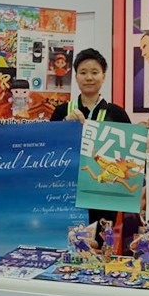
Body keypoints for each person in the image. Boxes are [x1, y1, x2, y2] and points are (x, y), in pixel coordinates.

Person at [51, 48, 132, 243]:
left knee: (101, 245)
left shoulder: (117, 114)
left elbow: (127, 157)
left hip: (104, 194)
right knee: (70, 245)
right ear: (76, 77)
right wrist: (65, 126)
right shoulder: (62, 111)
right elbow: (50, 151)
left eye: (95, 72)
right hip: (68, 193)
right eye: (83, 72)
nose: (89, 77)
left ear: (104, 76)